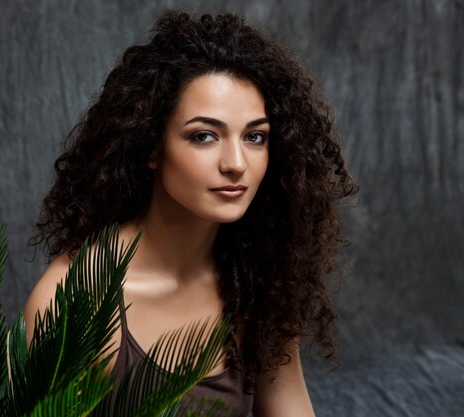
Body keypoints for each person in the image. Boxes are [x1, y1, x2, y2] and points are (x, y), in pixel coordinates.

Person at [25, 10, 358, 417]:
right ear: (150, 146)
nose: (236, 162)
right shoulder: (74, 300)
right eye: (204, 136)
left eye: (255, 137)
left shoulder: (254, 281)